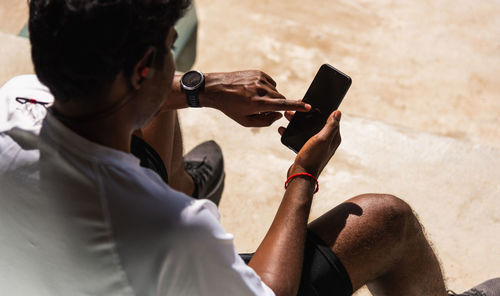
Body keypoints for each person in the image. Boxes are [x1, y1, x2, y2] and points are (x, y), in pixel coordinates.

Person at [0, 0, 498, 295]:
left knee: (157, 112)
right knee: (386, 220)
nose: (176, 57)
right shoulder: (170, 229)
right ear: (141, 67)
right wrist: (302, 176)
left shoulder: (12, 103)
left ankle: (189, 182)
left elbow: (133, 95)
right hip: (157, 268)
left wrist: (202, 89)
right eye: (171, 44)